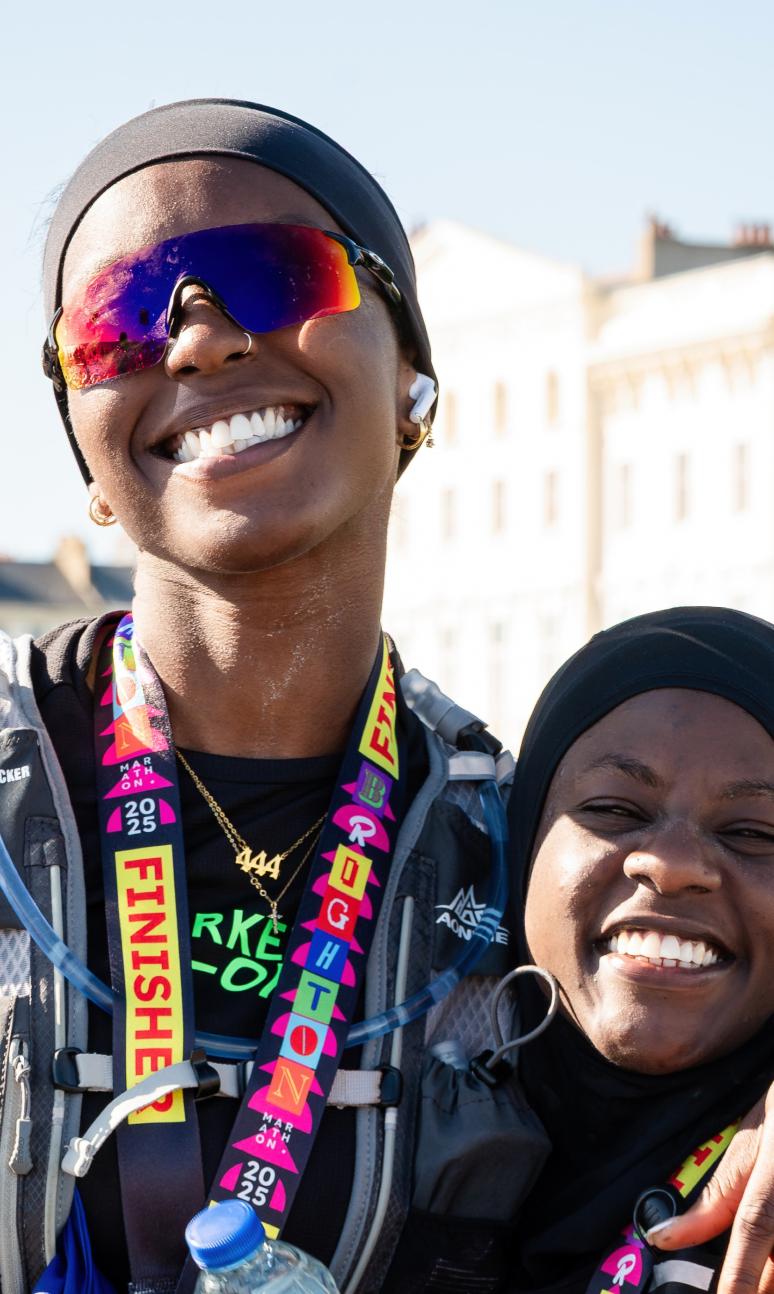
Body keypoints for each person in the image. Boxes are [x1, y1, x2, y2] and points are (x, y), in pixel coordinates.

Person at [0, 99, 519, 1293]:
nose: (197, 343)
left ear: (411, 378)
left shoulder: (527, 841)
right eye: (116, 322)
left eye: (278, 273)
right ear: (85, 455)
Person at [506, 606, 774, 1294]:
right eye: (615, 810)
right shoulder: (371, 1086)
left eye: (754, 833)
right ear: (524, 840)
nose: (673, 865)